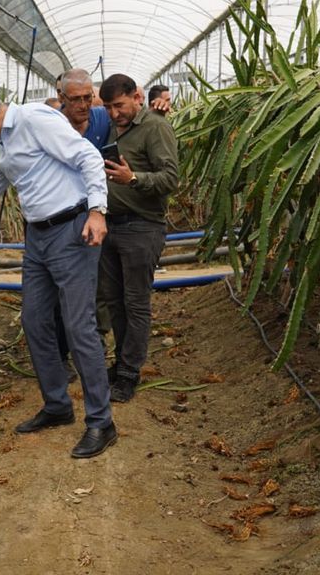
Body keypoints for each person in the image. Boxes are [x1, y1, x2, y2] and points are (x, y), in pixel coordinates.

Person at [0, 85, 117, 458]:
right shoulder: (4, 143)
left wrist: (97, 210)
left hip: (71, 229)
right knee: (34, 319)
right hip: (38, 238)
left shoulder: (34, 119)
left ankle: (101, 421)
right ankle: (57, 405)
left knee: (79, 326)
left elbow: (88, 157)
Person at [97, 73, 179, 403]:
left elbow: (170, 178)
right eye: (108, 107)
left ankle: (130, 373)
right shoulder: (109, 127)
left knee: (135, 302)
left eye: (119, 105)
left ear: (136, 97)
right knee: (115, 301)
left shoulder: (155, 126)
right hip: (110, 226)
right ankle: (121, 363)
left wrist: (132, 179)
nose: (114, 113)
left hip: (142, 227)